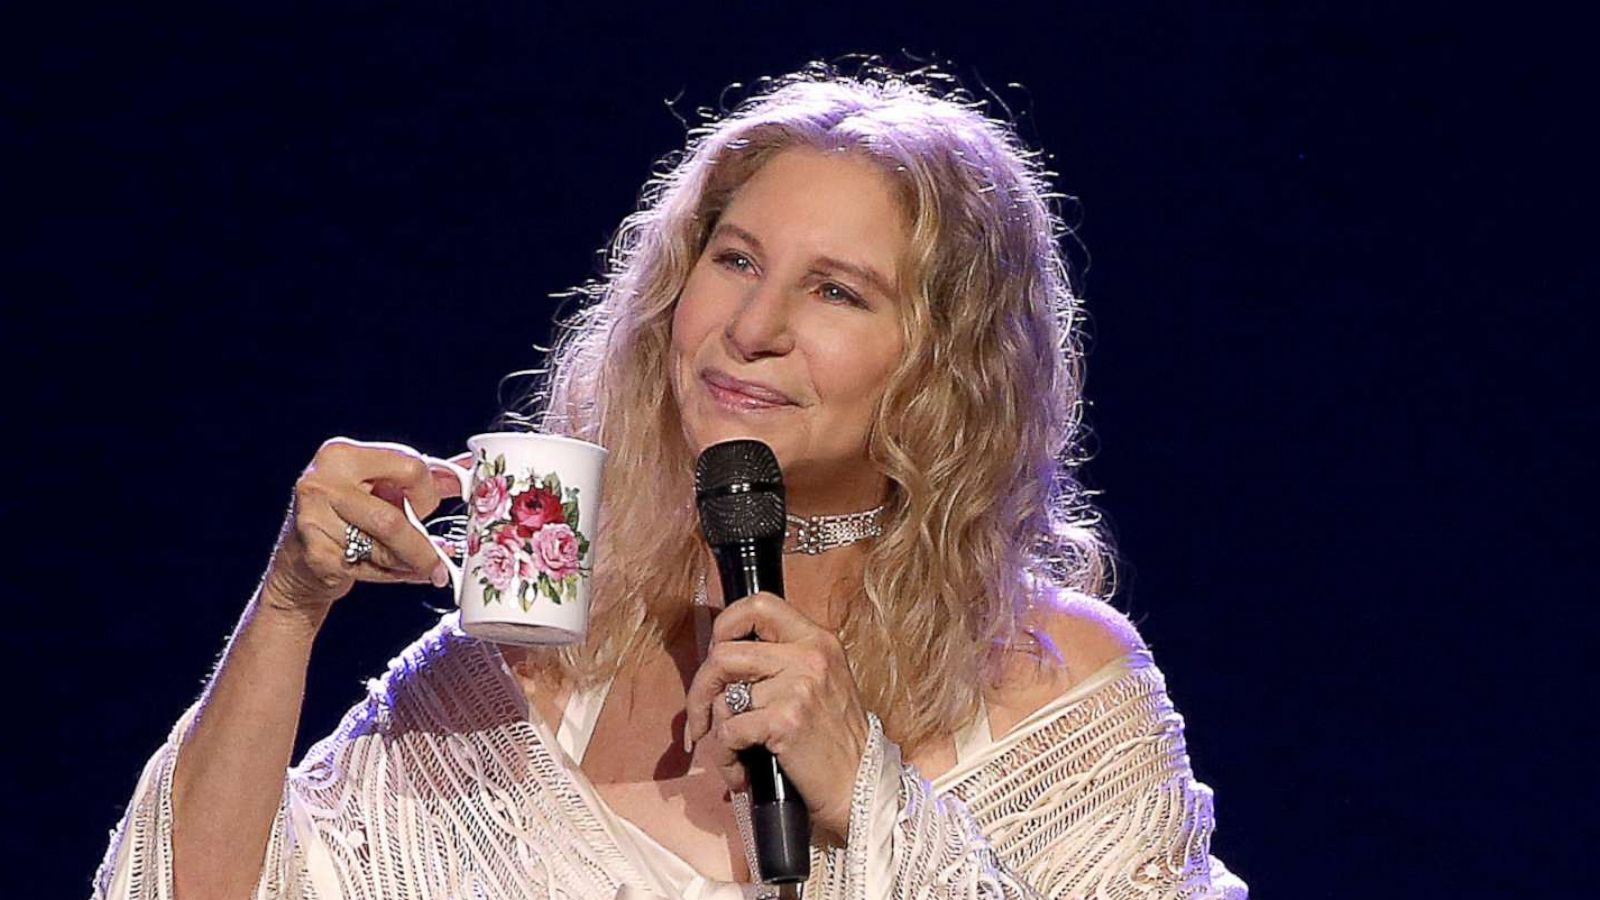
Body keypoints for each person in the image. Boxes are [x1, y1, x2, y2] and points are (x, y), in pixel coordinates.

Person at [93, 61, 1248, 899]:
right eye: (734, 260)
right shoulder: (540, 637)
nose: (751, 327)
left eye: (836, 291)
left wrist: (869, 801)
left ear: (949, 366)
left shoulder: (1059, 684)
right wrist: (292, 607)